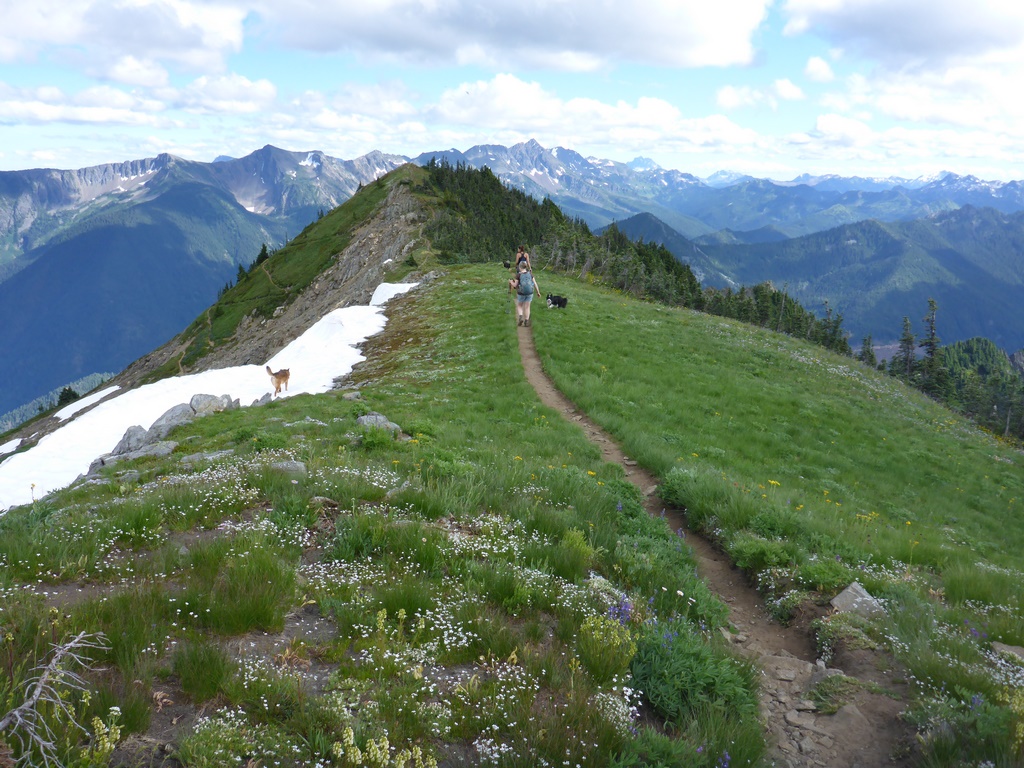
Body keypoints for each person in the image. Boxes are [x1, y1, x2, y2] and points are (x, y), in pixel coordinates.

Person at [515, 261, 539, 327]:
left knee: (519, 305)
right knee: (527, 307)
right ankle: (526, 321)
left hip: (521, 293)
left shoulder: (518, 275)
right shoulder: (530, 274)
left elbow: (515, 285)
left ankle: (520, 316)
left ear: (520, 267)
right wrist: (538, 292)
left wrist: (511, 282)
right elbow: (535, 283)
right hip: (530, 293)